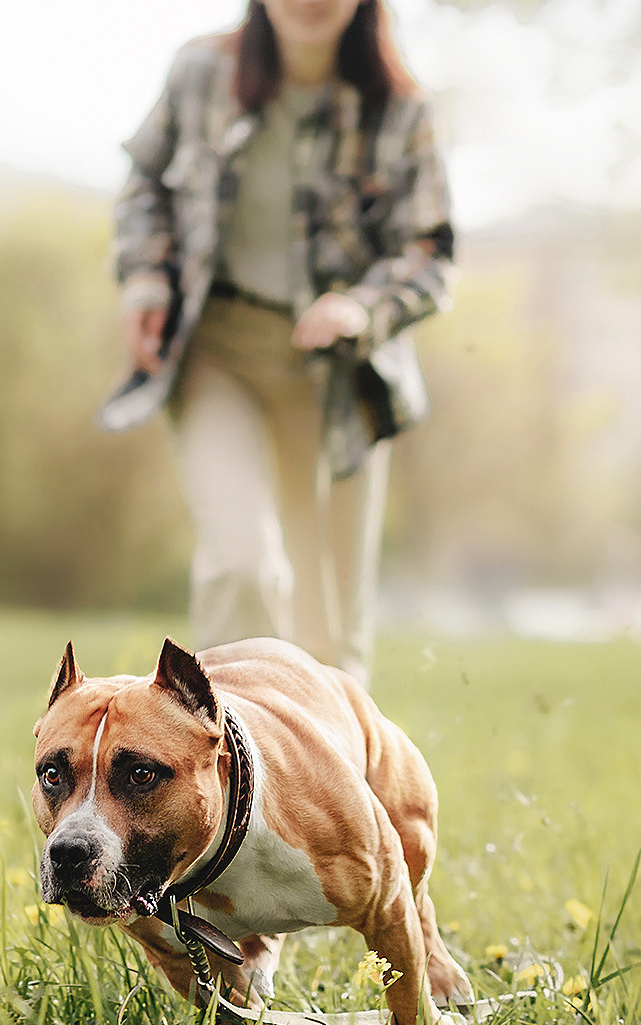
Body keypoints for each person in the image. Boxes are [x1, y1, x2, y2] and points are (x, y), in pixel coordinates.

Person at [98, 0, 456, 687]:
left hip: (336, 376)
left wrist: (360, 305)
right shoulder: (202, 71)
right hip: (216, 353)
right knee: (242, 568)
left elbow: (430, 251)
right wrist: (145, 278)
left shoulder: (402, 110)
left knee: (328, 639)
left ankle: (337, 787)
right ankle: (236, 776)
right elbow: (144, 182)